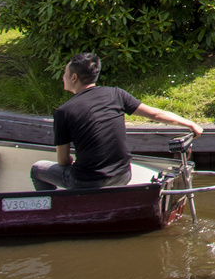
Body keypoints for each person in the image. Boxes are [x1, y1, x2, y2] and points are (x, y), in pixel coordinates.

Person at [30, 53, 204, 191]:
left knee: (37, 169)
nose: (63, 77)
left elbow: (62, 161)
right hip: (122, 175)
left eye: (64, 73)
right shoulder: (116, 94)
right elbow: (156, 114)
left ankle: (56, 208)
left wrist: (72, 161)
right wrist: (189, 123)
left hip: (87, 182)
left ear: (74, 78)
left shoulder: (63, 112)